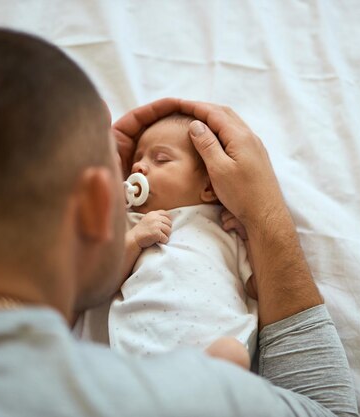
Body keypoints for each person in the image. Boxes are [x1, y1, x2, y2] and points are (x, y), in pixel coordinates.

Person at [0, 27, 359, 416]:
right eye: (122, 170)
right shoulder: (166, 396)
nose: (135, 172)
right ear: (95, 207)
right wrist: (266, 214)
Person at [77, 114, 257, 370]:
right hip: (145, 351)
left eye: (160, 159)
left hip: (213, 350)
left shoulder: (226, 227)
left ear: (208, 186)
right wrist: (134, 240)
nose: (139, 167)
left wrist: (249, 236)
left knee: (232, 353)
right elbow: (99, 284)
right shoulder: (132, 222)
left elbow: (256, 289)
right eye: (138, 159)